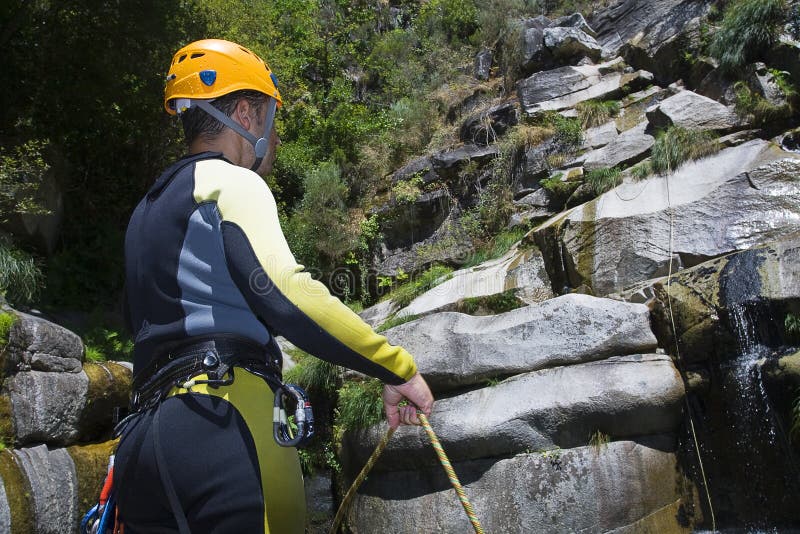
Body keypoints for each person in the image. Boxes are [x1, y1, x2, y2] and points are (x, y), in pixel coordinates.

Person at [115, 38, 434, 534]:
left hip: (141, 445)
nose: (275, 137)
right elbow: (287, 292)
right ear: (245, 112)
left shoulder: (145, 213)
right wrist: (398, 369)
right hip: (226, 420)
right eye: (271, 117)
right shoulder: (232, 183)